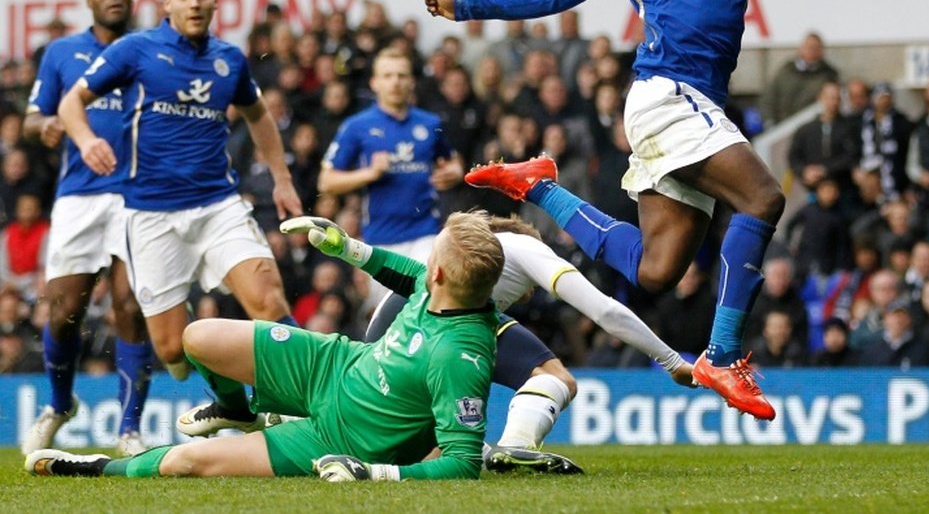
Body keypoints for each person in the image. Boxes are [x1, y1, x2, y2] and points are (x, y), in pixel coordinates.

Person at [422, 0, 929, 420]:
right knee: (762, 198)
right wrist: (468, 5)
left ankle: (537, 187)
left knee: (655, 270)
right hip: (664, 94)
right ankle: (723, 353)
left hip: (700, 104)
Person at [26, 211, 505, 481]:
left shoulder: (460, 356)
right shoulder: (443, 287)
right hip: (330, 365)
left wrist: (376, 475)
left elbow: (462, 462)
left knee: (183, 462)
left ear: (441, 272)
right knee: (199, 336)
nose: (426, 264)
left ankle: (101, 467)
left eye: (433, 254)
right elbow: (407, 273)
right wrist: (347, 248)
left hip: (339, 441)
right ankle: (234, 409)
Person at [56, 0, 302, 383]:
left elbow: (259, 115)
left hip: (218, 205)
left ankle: (316, 404)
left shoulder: (229, 59)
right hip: (151, 214)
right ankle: (229, 405)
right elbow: (71, 102)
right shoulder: (135, 50)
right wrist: (86, 138)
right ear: (166, 3)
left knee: (268, 300)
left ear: (214, 2)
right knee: (173, 353)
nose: (193, 3)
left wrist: (282, 178)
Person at [334, 211, 695, 473]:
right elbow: (605, 311)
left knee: (417, 439)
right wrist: (671, 361)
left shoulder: (469, 272)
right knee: (557, 378)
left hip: (405, 322)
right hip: (432, 322)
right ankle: (513, 447)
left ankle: (503, 453)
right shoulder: (525, 247)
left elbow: (405, 277)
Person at [21, 0, 153, 457]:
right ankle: (59, 405)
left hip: (138, 194)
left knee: (130, 307)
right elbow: (31, 119)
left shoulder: (149, 51)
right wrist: (49, 125)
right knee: (65, 312)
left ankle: (129, 429)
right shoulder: (61, 53)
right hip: (79, 194)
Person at [318, 48, 464, 312]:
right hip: (381, 238)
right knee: (390, 319)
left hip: (425, 233)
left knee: (428, 307)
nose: (395, 82)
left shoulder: (430, 123)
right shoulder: (356, 126)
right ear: (375, 82)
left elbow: (453, 161)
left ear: (411, 81)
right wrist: (369, 174)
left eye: (401, 75)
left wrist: (454, 172)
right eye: (387, 75)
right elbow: (326, 181)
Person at [759, 32, 840, 128]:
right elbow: (769, 98)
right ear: (801, 48)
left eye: (816, 48)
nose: (812, 51)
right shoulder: (785, 71)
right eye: (809, 47)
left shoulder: (829, 75)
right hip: (782, 128)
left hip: (812, 129)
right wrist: (769, 122)